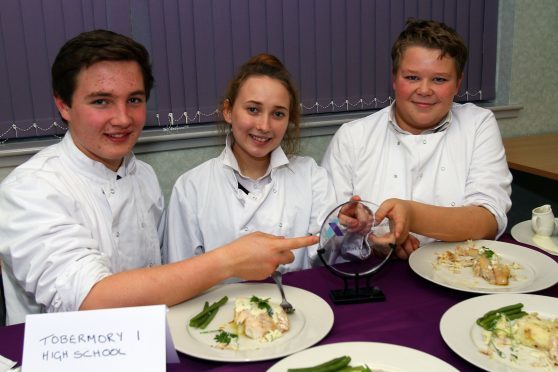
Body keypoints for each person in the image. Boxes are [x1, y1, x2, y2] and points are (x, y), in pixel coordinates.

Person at [0, 30, 317, 325]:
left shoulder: (144, 177)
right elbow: (90, 300)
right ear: (63, 105)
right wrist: (229, 261)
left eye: (134, 100)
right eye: (101, 101)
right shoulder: (30, 189)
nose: (123, 118)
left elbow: (163, 278)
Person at [322, 19, 512, 260]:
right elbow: (326, 231)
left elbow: (489, 219)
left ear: (458, 84)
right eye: (412, 77)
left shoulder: (478, 124)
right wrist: (363, 236)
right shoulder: (352, 137)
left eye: (440, 80)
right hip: (376, 275)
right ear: (394, 78)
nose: (424, 90)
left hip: (459, 271)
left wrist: (411, 216)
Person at [165, 54, 336, 273]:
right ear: (228, 111)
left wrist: (346, 229)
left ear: (288, 120)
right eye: (253, 110)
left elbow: (328, 243)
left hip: (295, 302)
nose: (264, 126)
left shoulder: (310, 175)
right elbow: (180, 274)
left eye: (278, 114)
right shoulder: (192, 187)